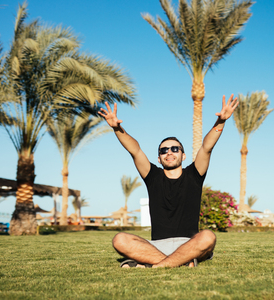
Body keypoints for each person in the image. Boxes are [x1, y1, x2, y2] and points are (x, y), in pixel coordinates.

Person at [98, 94, 238, 268]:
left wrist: (221, 122)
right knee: (120, 239)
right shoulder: (153, 176)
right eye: (164, 150)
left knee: (208, 237)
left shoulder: (194, 174)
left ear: (183, 155)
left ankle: (154, 265)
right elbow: (135, 151)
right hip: (157, 245)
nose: (169, 152)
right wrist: (117, 128)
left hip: (189, 243)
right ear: (159, 158)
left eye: (174, 149)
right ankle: (182, 262)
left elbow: (207, 147)